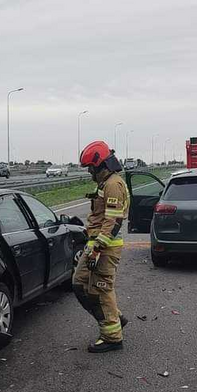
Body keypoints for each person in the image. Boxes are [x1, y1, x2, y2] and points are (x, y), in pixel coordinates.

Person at [72, 141, 129, 353]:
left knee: (101, 289)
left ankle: (112, 337)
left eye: (91, 168)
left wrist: (97, 248)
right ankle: (115, 317)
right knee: (79, 284)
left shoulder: (113, 184)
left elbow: (113, 221)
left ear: (100, 165)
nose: (89, 172)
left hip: (104, 247)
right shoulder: (106, 183)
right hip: (96, 244)